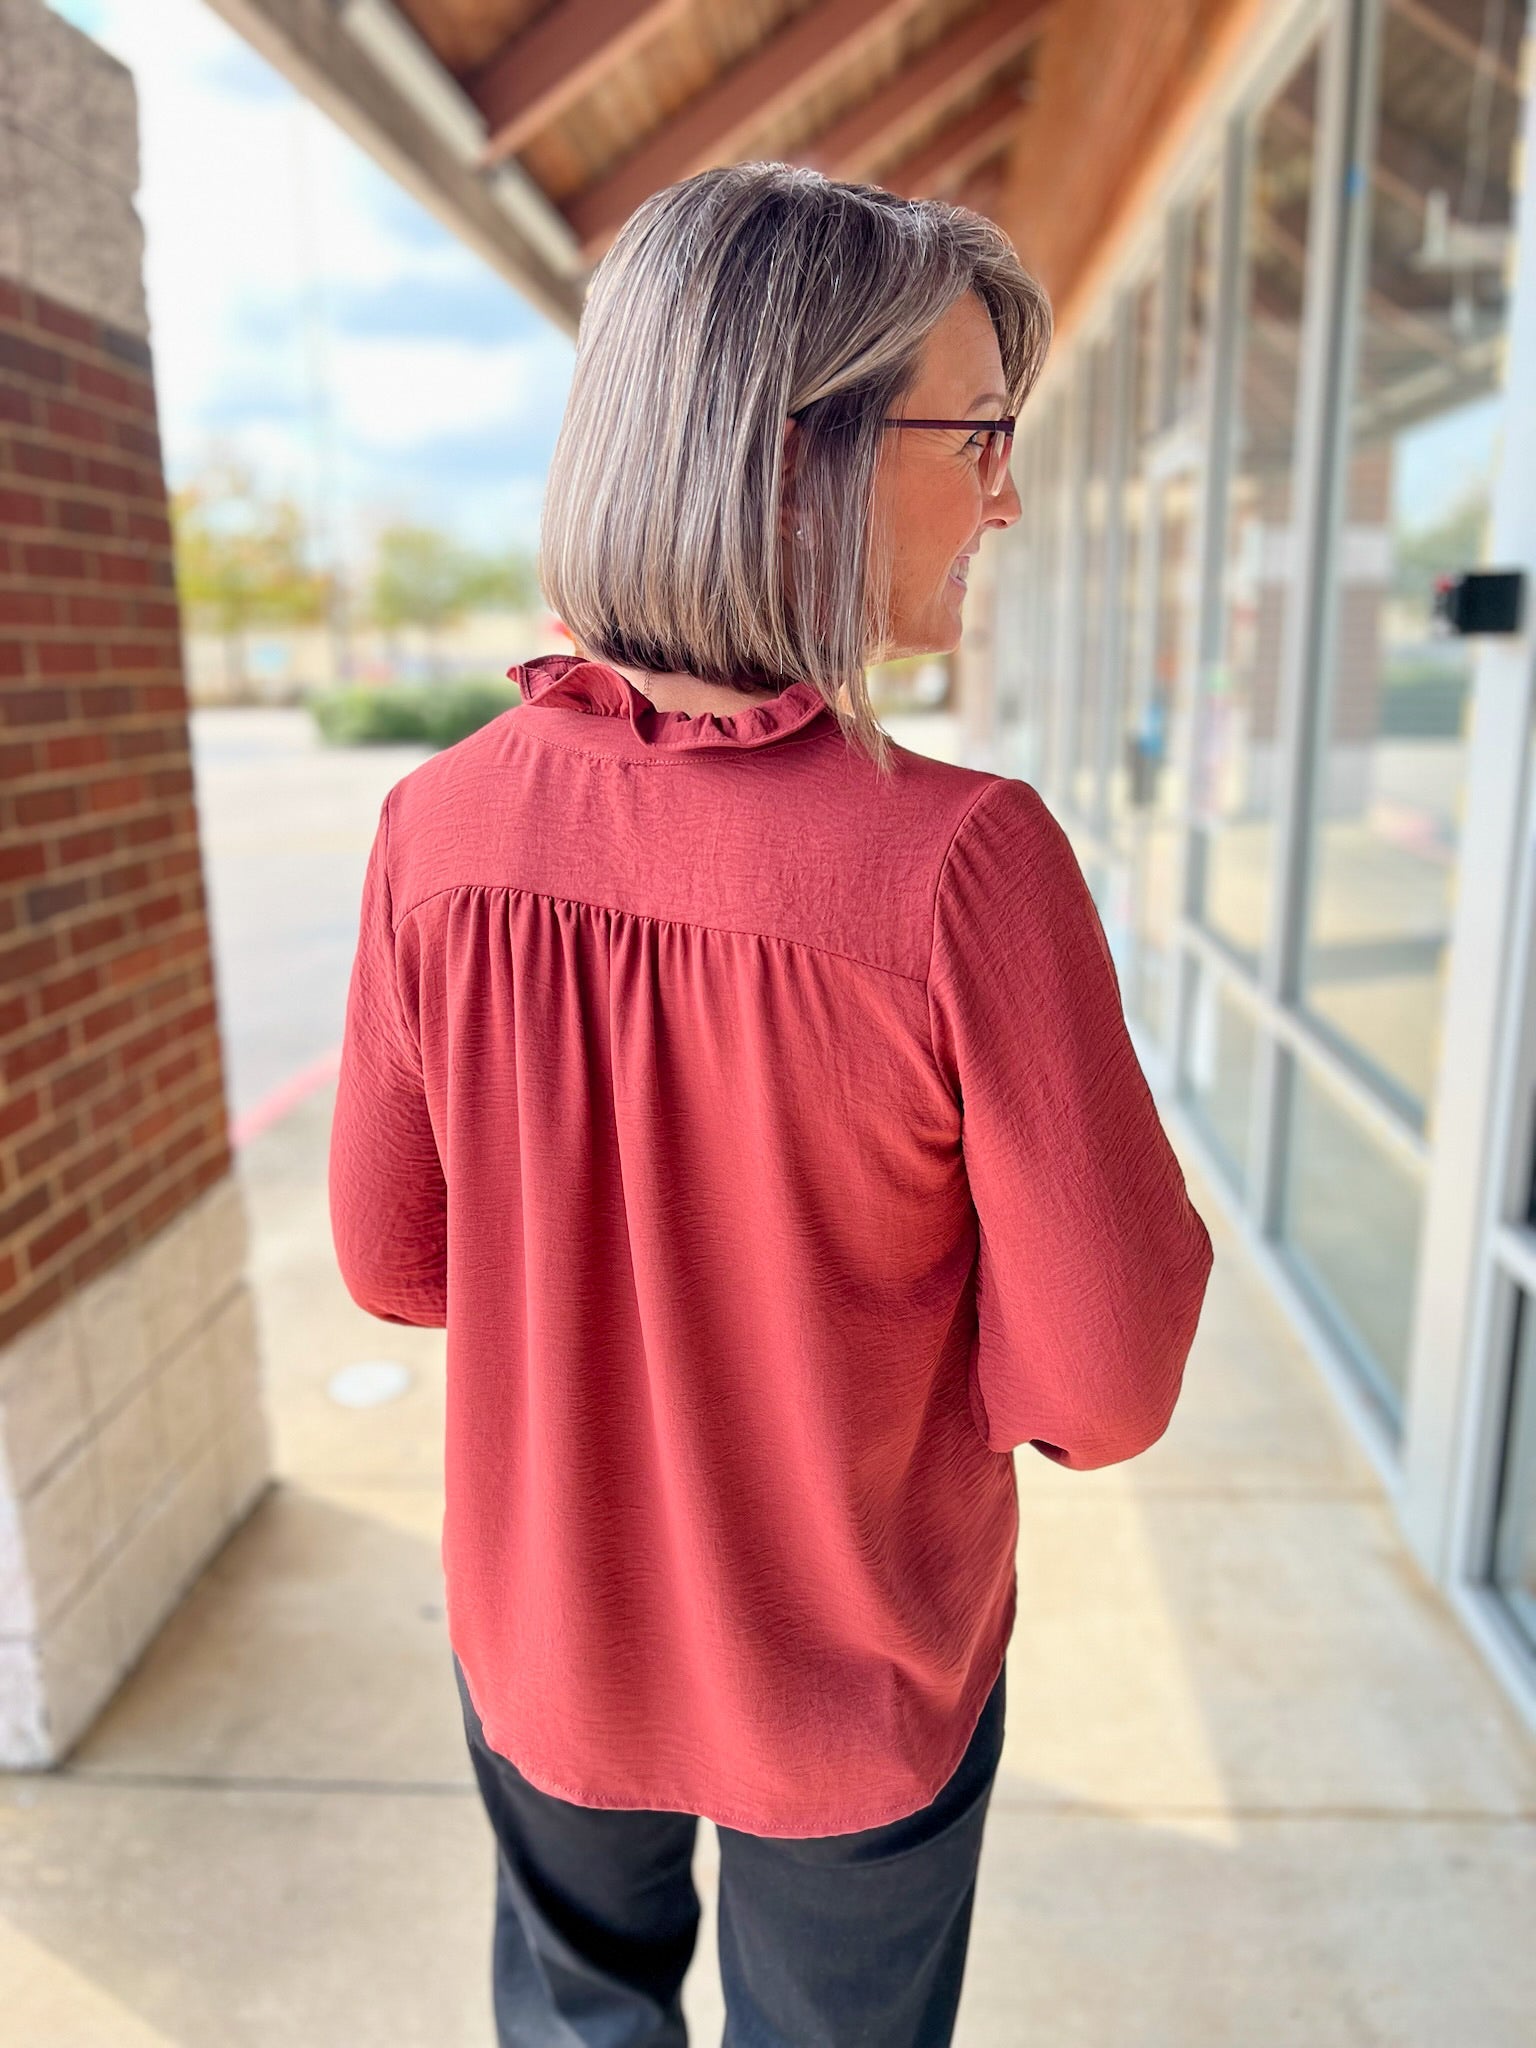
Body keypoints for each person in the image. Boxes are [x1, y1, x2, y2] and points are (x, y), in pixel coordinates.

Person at [329, 161, 1215, 2048]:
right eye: (977, 433)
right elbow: (1106, 1384)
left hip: (548, 1637)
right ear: (795, 450)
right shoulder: (966, 869)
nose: (1009, 490)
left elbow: (397, 1261)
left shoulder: (437, 828)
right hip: (854, 1677)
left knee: (576, 2019)